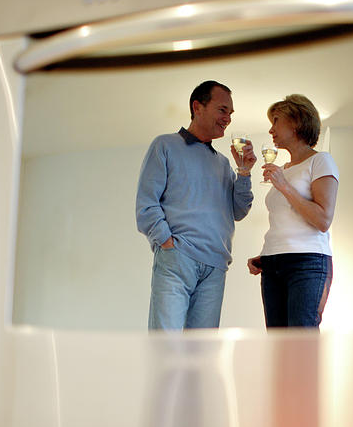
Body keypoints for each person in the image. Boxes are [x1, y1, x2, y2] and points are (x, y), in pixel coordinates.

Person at [136, 80, 255, 330]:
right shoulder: (165, 145)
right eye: (223, 110)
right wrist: (167, 243)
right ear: (197, 107)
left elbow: (239, 211)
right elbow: (147, 204)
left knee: (201, 353)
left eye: (231, 114)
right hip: (177, 259)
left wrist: (243, 171)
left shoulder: (222, 163)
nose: (228, 119)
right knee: (166, 347)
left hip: (215, 267)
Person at [248, 94, 339, 328]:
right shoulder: (284, 169)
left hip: (308, 262)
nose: (271, 129)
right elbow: (286, 219)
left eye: (276, 120)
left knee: (301, 341)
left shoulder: (320, 161)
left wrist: (284, 187)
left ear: (297, 121)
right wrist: (267, 255)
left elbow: (323, 219)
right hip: (273, 262)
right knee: (278, 344)